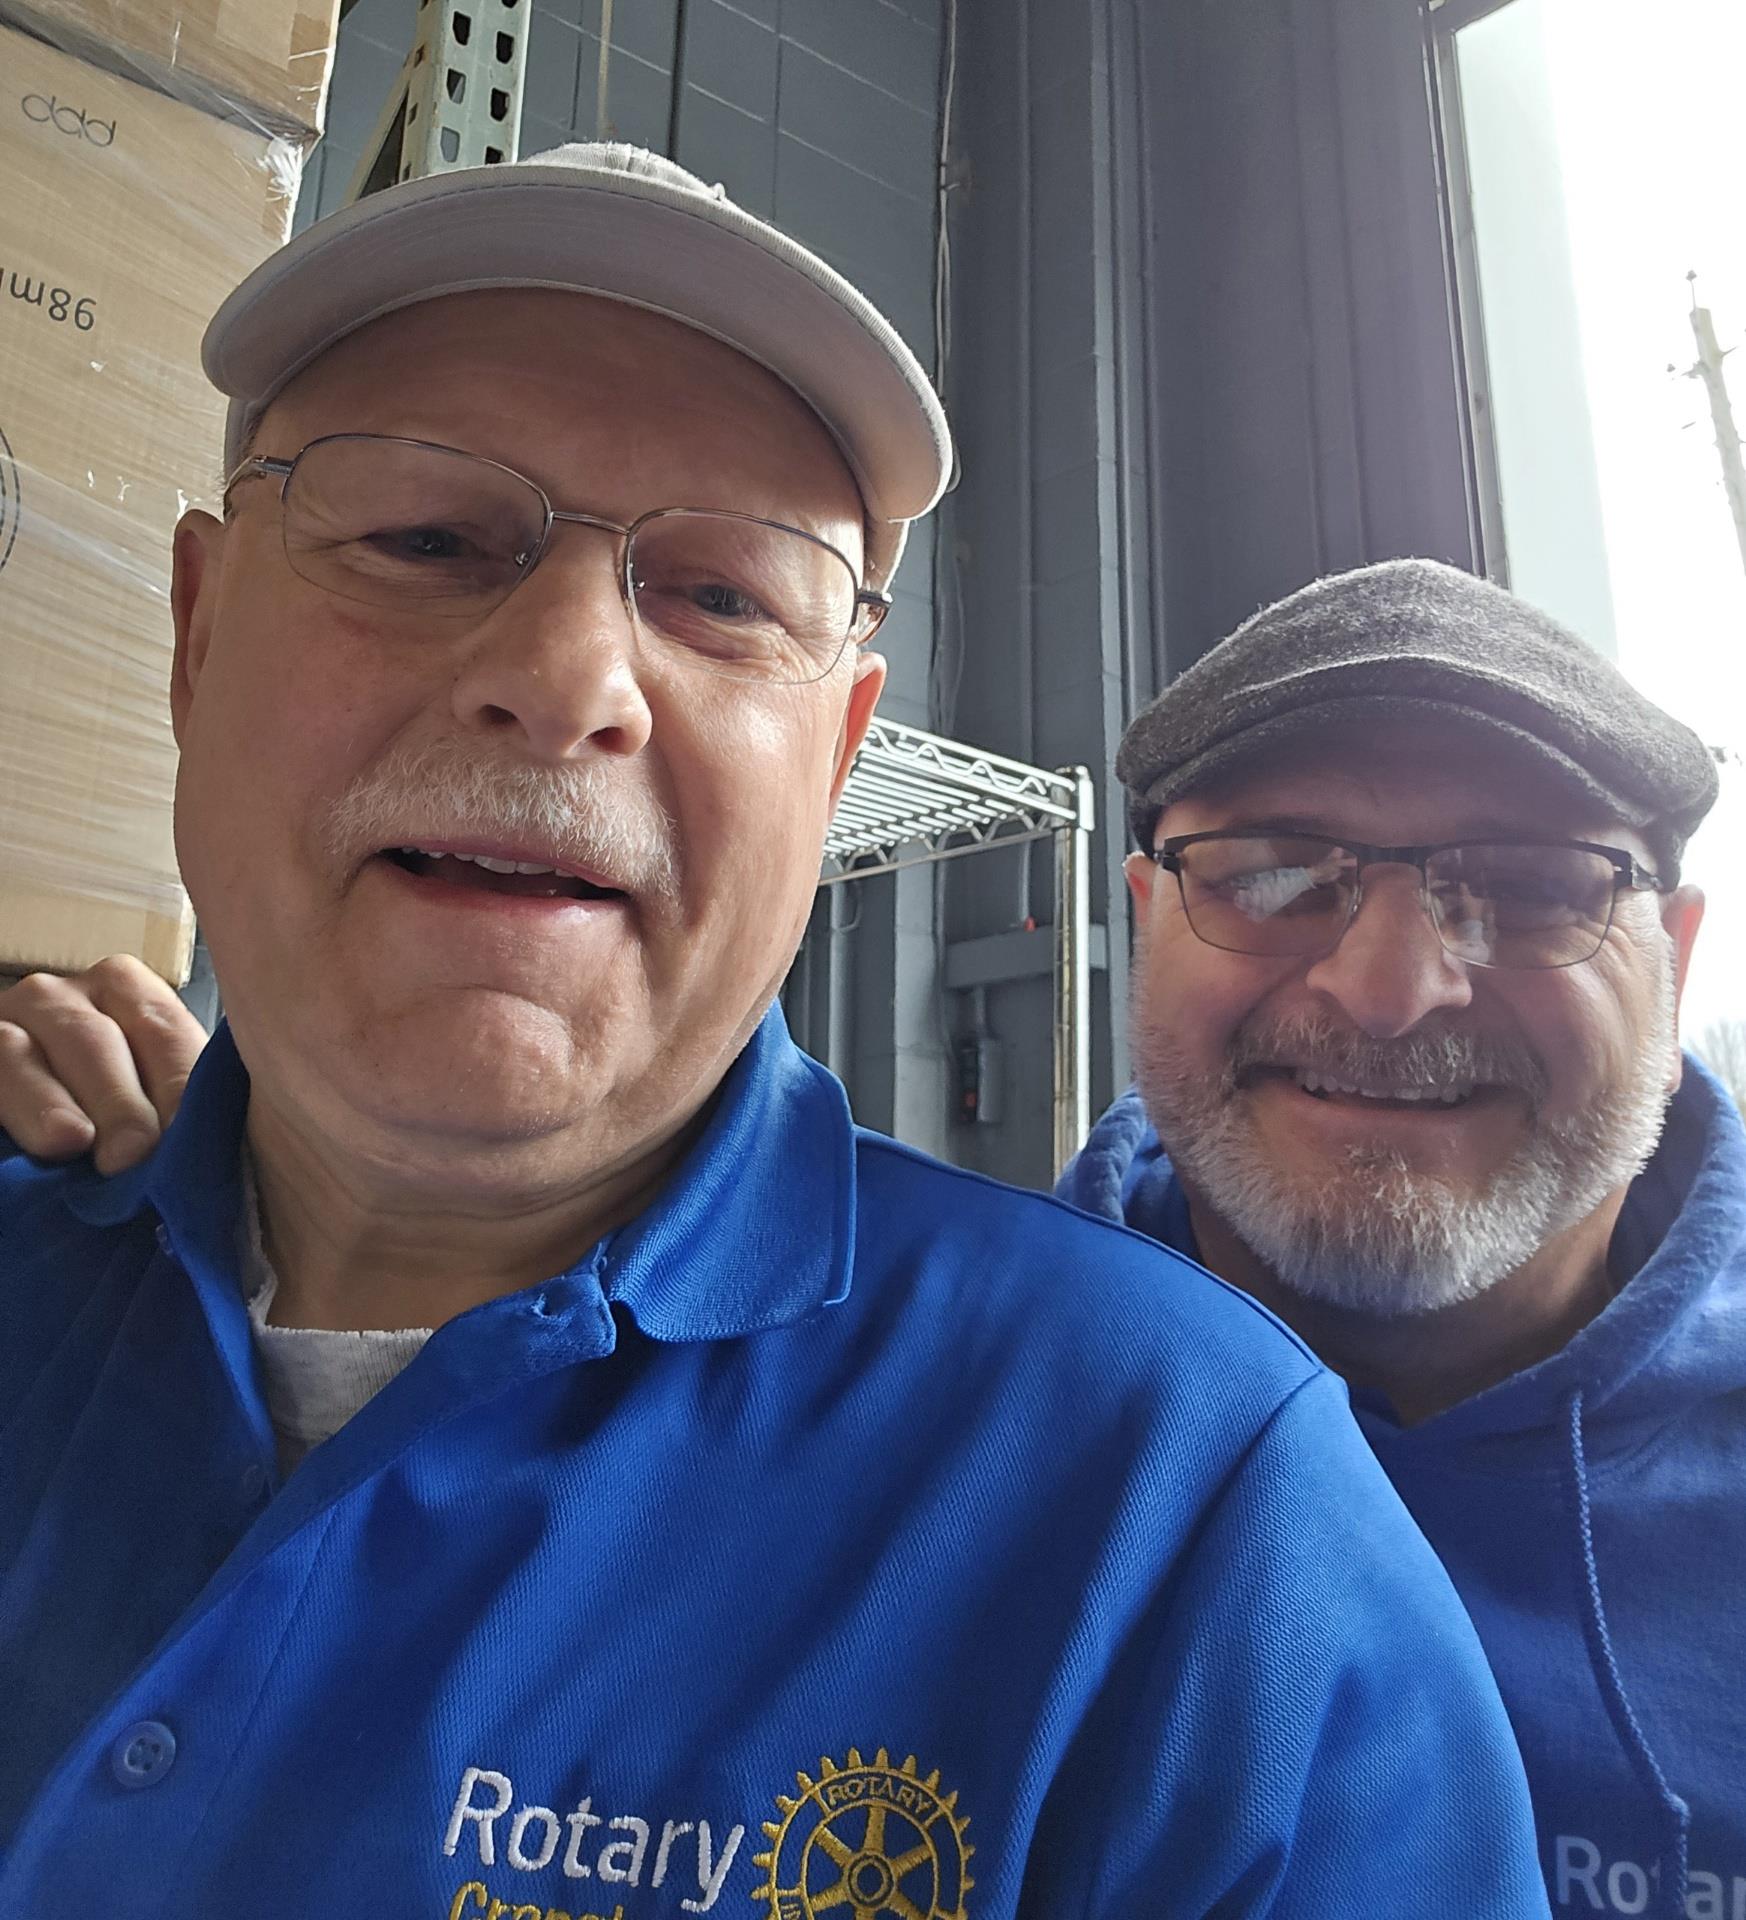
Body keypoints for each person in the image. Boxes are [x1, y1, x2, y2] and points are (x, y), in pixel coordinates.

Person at [0, 149, 1550, 1916]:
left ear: (834, 760)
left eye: (725, 596)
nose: (567, 680)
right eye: (424, 538)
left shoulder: (1192, 1522)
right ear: (197, 635)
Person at [1053, 559, 1745, 1920]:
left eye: (1532, 887)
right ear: (1146, 922)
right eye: (1273, 875)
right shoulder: (924, 1430)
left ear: (1670, 968)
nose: (1387, 992)